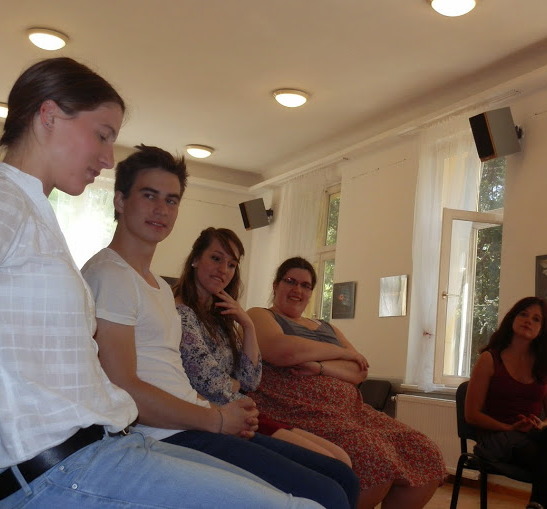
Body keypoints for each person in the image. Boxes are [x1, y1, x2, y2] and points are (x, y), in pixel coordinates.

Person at [0, 57, 320, 509]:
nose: (107, 158)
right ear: (49, 116)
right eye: (102, 135)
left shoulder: (34, 215)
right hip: (63, 470)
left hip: (105, 446)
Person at [81, 147, 359, 509]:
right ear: (120, 200)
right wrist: (216, 419)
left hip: (197, 420)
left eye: (171, 200)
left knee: (342, 478)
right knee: (327, 495)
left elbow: (188, 378)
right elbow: (124, 389)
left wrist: (221, 411)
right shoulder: (110, 275)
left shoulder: (158, 287)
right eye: (149, 195)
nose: (161, 209)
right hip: (163, 436)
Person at [248, 257, 448, 509]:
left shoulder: (326, 327)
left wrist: (319, 366)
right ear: (276, 285)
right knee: (376, 460)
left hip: (352, 412)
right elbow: (281, 350)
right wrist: (340, 353)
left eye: (306, 285)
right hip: (300, 412)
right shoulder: (260, 315)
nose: (297, 290)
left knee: (425, 453)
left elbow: (358, 370)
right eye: (290, 281)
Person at [174, 227, 352, 466]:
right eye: (216, 258)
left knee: (341, 460)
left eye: (231, 264)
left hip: (245, 414)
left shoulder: (221, 318)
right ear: (195, 259)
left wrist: (247, 325)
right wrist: (235, 384)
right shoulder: (182, 314)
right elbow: (212, 384)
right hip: (218, 418)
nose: (223, 270)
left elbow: (251, 380)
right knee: (331, 466)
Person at [465, 296, 547, 509]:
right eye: (523, 314)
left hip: (533, 436)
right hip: (498, 437)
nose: (528, 321)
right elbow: (472, 415)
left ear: (542, 329)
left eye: (536, 319)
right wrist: (508, 427)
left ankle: (536, 505)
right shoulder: (489, 359)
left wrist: (541, 425)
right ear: (512, 318)